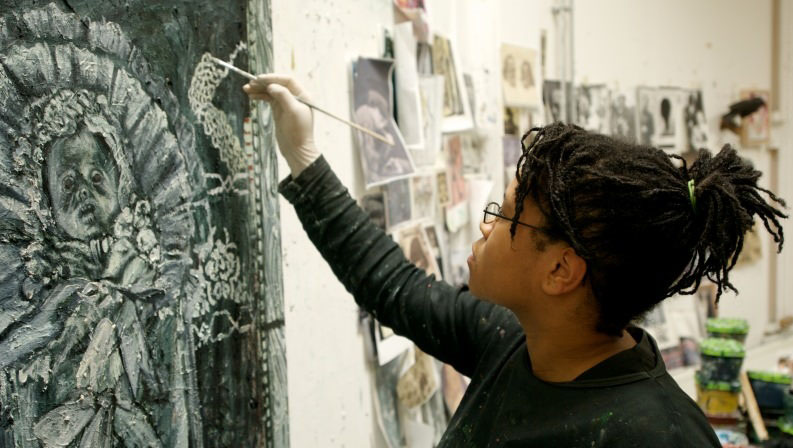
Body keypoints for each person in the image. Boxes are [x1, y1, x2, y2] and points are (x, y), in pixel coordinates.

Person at [243, 74, 787, 446]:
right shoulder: (513, 342)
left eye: (505, 217)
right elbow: (393, 286)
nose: (486, 227)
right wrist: (303, 155)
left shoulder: (657, 434)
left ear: (560, 271)